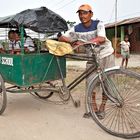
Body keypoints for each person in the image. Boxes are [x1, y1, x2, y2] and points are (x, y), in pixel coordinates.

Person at [58, 4, 114, 119]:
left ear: (91, 14)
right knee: (90, 84)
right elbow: (61, 38)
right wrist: (72, 40)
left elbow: (102, 39)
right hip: (92, 58)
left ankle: (102, 109)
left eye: (85, 13)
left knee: (107, 84)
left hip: (106, 55)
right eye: (80, 13)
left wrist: (84, 43)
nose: (82, 15)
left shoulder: (98, 24)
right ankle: (93, 109)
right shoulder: (77, 28)